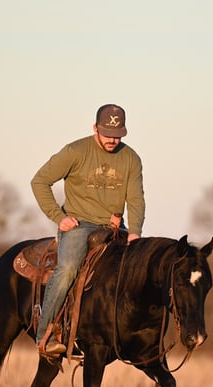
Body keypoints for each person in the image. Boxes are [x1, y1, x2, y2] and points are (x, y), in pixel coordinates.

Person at [31, 103, 145, 356]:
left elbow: (136, 199)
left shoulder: (131, 159)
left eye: (118, 135)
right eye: (107, 134)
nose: (113, 140)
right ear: (95, 128)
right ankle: (45, 335)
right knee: (69, 268)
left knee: (138, 270)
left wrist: (135, 231)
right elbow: (40, 181)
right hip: (79, 225)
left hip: (115, 227)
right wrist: (58, 217)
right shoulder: (75, 151)